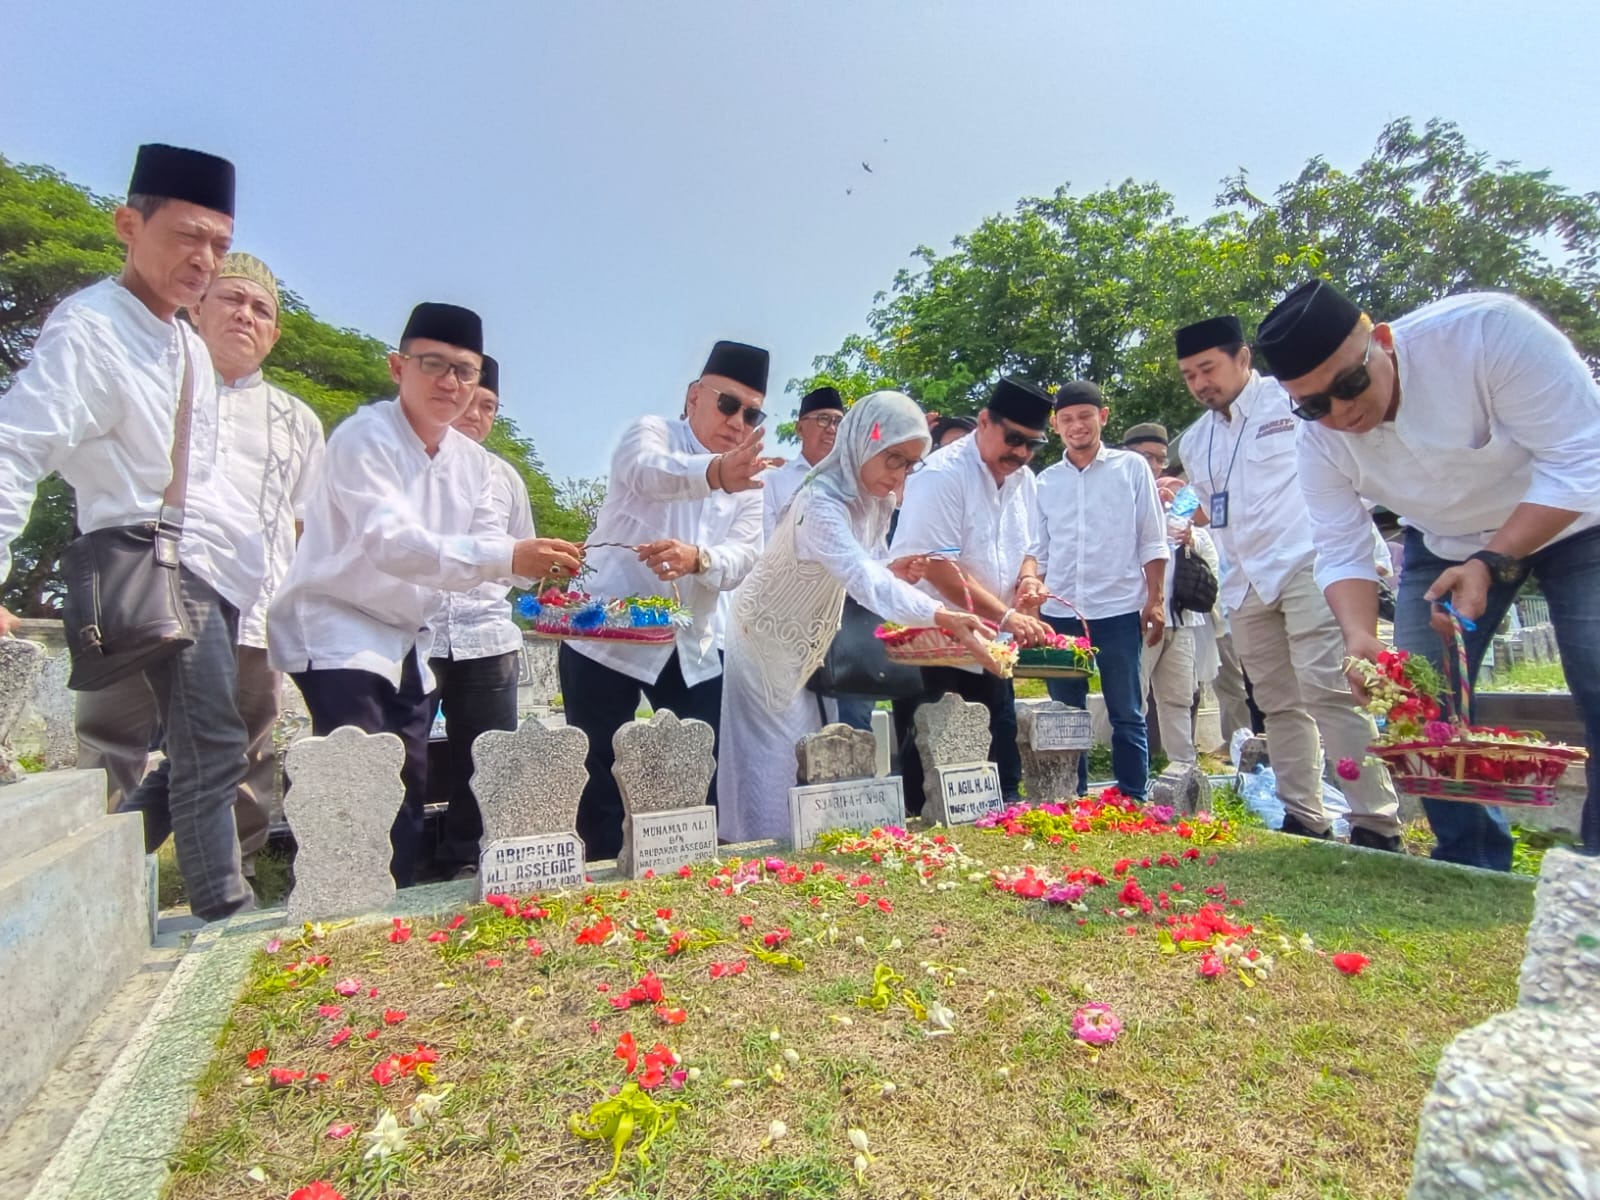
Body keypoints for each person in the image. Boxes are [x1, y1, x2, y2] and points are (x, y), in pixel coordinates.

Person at [0, 144, 264, 920]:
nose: (204, 259)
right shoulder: (89, 329)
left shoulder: (184, 339)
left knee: (203, 745)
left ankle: (76, 874)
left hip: (201, 568)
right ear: (128, 223)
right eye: (187, 235)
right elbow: (16, 445)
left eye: (219, 243)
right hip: (142, 561)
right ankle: (223, 909)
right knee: (210, 745)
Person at [1257, 279, 1600, 866]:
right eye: (1314, 405)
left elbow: (1583, 456)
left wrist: (1492, 561)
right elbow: (1340, 548)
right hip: (1443, 544)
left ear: (1383, 342)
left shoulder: (1486, 333)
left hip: (1575, 520)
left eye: (1349, 385)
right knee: (1419, 702)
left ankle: (1592, 871)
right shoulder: (1318, 441)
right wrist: (1360, 637)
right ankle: (1471, 857)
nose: (1340, 414)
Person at [269, 303, 581, 886]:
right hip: (340, 626)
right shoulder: (366, 437)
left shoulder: (474, 466)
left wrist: (542, 567)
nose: (450, 383)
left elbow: (490, 555)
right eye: (433, 365)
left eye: (464, 372)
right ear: (397, 366)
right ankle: (336, 906)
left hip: (410, 635)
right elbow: (392, 544)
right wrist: (511, 556)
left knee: (409, 776)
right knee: (360, 769)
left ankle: (398, 907)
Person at [77, 252, 327, 876]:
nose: (245, 315)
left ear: (274, 333)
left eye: (261, 310)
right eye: (231, 299)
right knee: (114, 740)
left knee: (240, 751)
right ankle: (93, 883)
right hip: (136, 592)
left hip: (246, 614)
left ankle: (230, 885)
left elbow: (304, 528)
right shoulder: (144, 381)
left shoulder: (296, 420)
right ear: (197, 307)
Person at [717, 392, 996, 841]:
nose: (899, 474)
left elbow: (858, 566)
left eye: (909, 463)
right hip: (766, 637)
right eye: (893, 458)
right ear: (863, 443)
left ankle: (797, 848)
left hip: (813, 638)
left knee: (812, 746)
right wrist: (941, 614)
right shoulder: (820, 501)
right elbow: (858, 573)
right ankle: (767, 856)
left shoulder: (875, 499)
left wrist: (890, 571)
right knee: (778, 756)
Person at [1175, 313, 1404, 849]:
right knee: (1277, 702)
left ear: (1243, 358)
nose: (1200, 383)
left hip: (1312, 563)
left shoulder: (1296, 402)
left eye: (1208, 368)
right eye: (1189, 375)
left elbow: (1354, 477)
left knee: (1332, 692)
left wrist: (1363, 559)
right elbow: (1214, 511)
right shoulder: (1195, 441)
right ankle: (1305, 814)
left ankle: (1375, 821)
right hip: (1246, 579)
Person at [560, 340, 770, 859]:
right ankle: (603, 886)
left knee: (696, 771)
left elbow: (745, 556)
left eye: (753, 412)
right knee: (600, 777)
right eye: (727, 404)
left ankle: (688, 878)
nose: (738, 421)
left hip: (692, 643)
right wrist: (716, 474)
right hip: (605, 637)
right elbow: (647, 472)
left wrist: (700, 558)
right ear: (694, 396)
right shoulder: (649, 433)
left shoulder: (751, 479)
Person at [892, 377, 1055, 806]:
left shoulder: (1024, 480)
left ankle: (999, 818)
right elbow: (939, 567)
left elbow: (1032, 549)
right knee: (933, 768)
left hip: (993, 643)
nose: (1021, 453)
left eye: (1032, 445)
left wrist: (1029, 580)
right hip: (936, 644)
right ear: (984, 421)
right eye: (1014, 438)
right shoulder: (940, 474)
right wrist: (1006, 615)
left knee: (999, 756)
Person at [421, 354, 535, 877]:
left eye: (490, 406)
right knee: (400, 755)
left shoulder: (505, 477)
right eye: (473, 400)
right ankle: (397, 865)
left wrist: (543, 563)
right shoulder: (411, 462)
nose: (478, 413)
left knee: (489, 761)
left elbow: (524, 568)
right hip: (415, 633)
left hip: (487, 638)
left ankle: (468, 859)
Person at [1033, 383, 1168, 798]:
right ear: (1056, 426)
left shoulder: (1131, 468)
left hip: (1117, 608)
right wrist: (1034, 602)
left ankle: (1133, 797)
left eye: (1085, 416)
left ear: (1103, 417)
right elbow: (1038, 549)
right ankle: (1070, 796)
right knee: (1065, 712)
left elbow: (1152, 537)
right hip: (1061, 612)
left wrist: (1156, 599)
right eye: (1067, 419)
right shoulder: (1044, 481)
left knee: (1126, 709)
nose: (1077, 426)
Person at [1121, 422, 1206, 769]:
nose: (1155, 466)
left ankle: (1184, 773)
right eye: (1146, 457)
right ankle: (1134, 776)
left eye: (1159, 459)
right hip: (1137, 615)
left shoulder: (1176, 502)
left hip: (1179, 615)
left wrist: (1191, 537)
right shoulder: (1118, 498)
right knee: (1133, 700)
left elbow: (1203, 547)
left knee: (1179, 698)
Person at [763, 386, 843, 538]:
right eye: (823, 419)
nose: (832, 429)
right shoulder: (773, 481)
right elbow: (764, 546)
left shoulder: (850, 485)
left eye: (838, 422)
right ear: (800, 428)